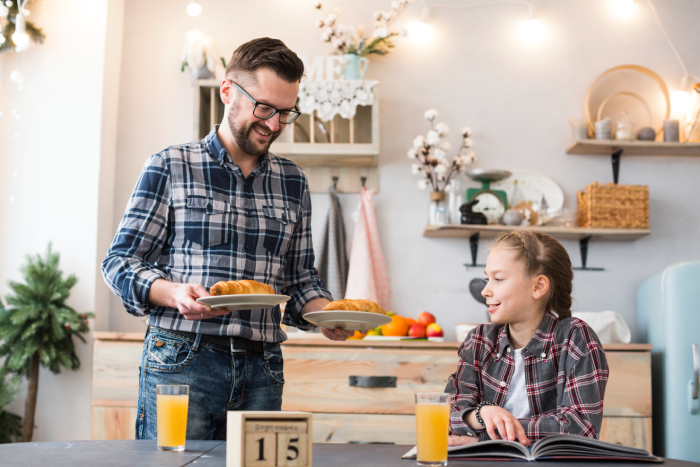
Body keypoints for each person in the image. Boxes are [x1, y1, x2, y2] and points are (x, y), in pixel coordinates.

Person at [102, 37, 353, 441]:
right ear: (227, 91)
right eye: (265, 108)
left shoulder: (293, 182)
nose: (273, 125)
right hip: (183, 360)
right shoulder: (170, 165)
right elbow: (119, 263)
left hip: (263, 369)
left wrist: (328, 314)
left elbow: (298, 282)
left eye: (286, 113)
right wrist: (174, 293)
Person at [445, 231, 609, 446]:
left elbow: (581, 428)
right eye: (487, 279)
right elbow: (447, 415)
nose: (485, 290)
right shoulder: (478, 341)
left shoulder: (576, 338)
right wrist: (481, 413)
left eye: (498, 279)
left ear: (538, 286)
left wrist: (483, 437)